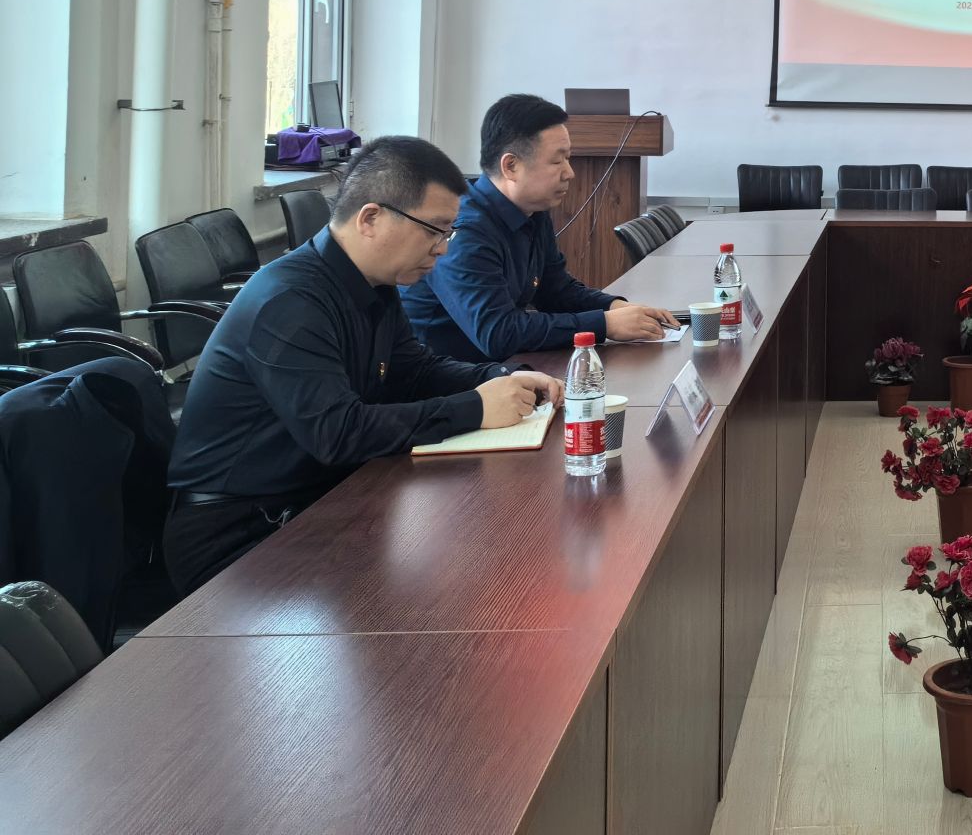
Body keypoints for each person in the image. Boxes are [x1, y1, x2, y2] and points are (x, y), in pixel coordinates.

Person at [165, 137, 562, 593]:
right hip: (239, 535)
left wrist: (502, 376)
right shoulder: (290, 302)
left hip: (316, 499)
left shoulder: (374, 282)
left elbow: (415, 371)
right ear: (370, 218)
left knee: (476, 552)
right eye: (434, 230)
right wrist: (476, 407)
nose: (442, 249)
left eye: (449, 233)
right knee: (451, 584)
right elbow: (337, 433)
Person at [403, 94, 676, 363]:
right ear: (511, 166)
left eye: (569, 158)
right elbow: (498, 333)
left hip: (500, 367)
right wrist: (605, 324)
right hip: (452, 376)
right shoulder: (466, 232)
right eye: (557, 161)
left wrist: (616, 307)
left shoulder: (533, 211)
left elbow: (556, 290)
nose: (569, 173)